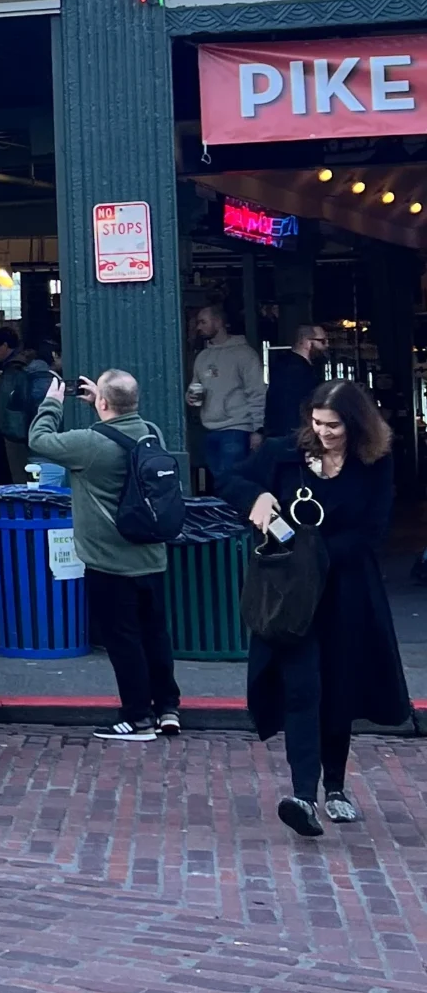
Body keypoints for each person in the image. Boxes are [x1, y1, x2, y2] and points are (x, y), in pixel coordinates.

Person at [228, 381, 414, 838]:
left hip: (345, 592)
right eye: (317, 423)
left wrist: (315, 553)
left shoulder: (375, 463)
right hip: (290, 596)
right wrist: (257, 498)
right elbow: (231, 478)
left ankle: (335, 786)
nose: (323, 432)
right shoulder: (283, 452)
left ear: (355, 424)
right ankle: (303, 795)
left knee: (338, 690)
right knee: (302, 689)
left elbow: (372, 530)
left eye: (333, 425)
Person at [32, 369, 181, 743]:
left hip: (108, 560)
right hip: (151, 556)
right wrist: (106, 399)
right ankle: (167, 708)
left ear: (101, 402)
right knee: (154, 635)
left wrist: (52, 402)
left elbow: (39, 438)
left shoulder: (89, 443)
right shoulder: (151, 433)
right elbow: (122, 415)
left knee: (123, 640)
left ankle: (136, 717)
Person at [188, 301, 265, 492]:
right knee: (220, 483)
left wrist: (258, 429)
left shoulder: (245, 354)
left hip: (237, 428)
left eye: (203, 322)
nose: (199, 327)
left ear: (218, 321)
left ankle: (234, 520)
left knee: (232, 483)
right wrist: (189, 397)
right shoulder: (202, 357)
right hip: (209, 429)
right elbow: (195, 385)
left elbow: (256, 392)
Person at [0, 331, 57, 484]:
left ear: (5, 346)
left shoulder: (14, 368)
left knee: (20, 475)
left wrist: (1, 427)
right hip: (40, 428)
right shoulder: (35, 367)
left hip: (15, 430)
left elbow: (5, 402)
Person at [265, 323, 329, 441]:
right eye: (322, 341)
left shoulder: (288, 365)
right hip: (294, 434)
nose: (326, 345)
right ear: (306, 342)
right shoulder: (294, 370)